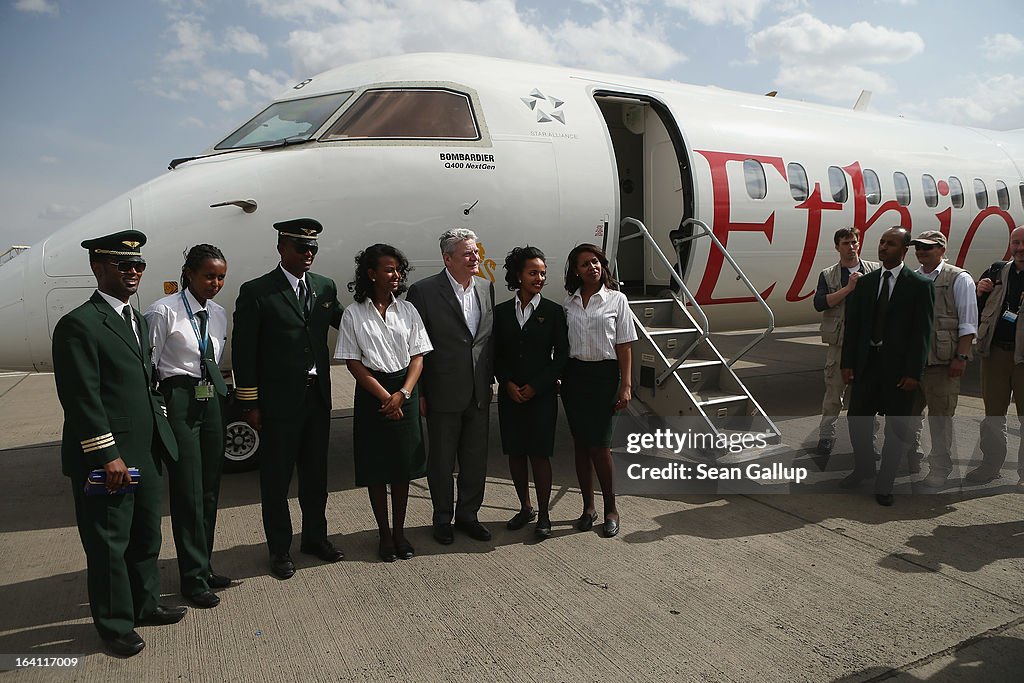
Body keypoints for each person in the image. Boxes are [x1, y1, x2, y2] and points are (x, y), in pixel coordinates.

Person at [51, 230, 184, 657]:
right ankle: (113, 625)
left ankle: (145, 605)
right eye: (122, 265)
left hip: (143, 451)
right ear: (98, 268)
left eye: (138, 265)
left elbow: (148, 385)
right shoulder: (79, 324)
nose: (133, 272)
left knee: (146, 534)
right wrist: (107, 455)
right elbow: (81, 398)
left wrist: (160, 426)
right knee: (109, 543)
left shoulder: (136, 319)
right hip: (108, 457)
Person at [231, 219, 344, 579]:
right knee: (277, 481)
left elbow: (350, 322)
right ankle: (279, 549)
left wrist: (387, 311)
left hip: (317, 398)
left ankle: (315, 538)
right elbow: (244, 351)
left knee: (316, 477)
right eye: (301, 247)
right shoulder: (258, 291)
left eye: (313, 248)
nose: (308, 254)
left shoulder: (325, 286)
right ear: (281, 247)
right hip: (278, 403)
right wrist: (250, 403)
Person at [144, 244, 230, 608]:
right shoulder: (163, 311)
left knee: (210, 489)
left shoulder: (220, 314)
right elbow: (147, 367)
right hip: (177, 399)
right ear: (190, 274)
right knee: (188, 492)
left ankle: (204, 565)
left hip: (208, 398)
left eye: (221, 277)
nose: (215, 283)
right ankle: (191, 580)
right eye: (209, 275)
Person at [335, 244, 432, 561]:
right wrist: (384, 396)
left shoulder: (408, 311)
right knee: (376, 468)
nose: (396, 275)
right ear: (371, 273)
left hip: (405, 389)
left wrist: (403, 393)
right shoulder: (353, 313)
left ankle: (401, 532)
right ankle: (384, 534)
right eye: (389, 269)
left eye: (398, 270)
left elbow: (418, 357)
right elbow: (353, 362)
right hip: (373, 393)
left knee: (402, 467)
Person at [407, 229, 495, 545]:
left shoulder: (486, 288)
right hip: (443, 391)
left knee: (475, 459)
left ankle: (469, 515)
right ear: (447, 258)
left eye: (476, 252)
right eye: (468, 254)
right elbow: (415, 347)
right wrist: (420, 393)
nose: (476, 258)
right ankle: (442, 518)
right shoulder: (424, 292)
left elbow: (485, 339)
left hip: (479, 390)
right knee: (442, 461)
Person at [841, 226, 934, 506]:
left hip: (898, 370)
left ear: (904, 250)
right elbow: (853, 328)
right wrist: (847, 364)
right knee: (857, 419)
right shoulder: (866, 283)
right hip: (867, 365)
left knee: (896, 429)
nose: (883, 247)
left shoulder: (919, 285)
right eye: (882, 242)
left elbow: (922, 333)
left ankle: (885, 483)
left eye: (891, 243)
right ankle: (864, 468)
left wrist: (913, 373)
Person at [561, 243, 637, 536]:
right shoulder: (568, 305)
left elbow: (625, 344)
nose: (592, 267)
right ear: (576, 272)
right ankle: (587, 508)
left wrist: (626, 385)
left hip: (606, 377)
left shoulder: (617, 300)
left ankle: (611, 509)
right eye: (584, 264)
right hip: (575, 377)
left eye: (595, 262)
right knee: (581, 444)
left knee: (600, 445)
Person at [494, 246, 568, 539]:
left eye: (542, 273)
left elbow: (561, 355)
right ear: (518, 275)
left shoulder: (552, 312)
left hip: (541, 395)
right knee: (515, 452)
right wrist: (507, 382)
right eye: (533, 272)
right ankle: (525, 507)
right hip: (510, 394)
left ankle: (544, 513)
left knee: (539, 454)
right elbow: (496, 354)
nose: (539, 278)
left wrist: (538, 385)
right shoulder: (500, 312)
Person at [906, 230, 977, 488]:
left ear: (942, 250)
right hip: (914, 364)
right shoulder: (912, 278)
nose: (922, 251)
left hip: (942, 364)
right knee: (908, 417)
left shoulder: (959, 279)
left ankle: (940, 468)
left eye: (928, 247)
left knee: (940, 420)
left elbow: (968, 324)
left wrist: (961, 357)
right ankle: (911, 459)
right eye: (919, 248)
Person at [812, 227, 879, 456]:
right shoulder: (829, 274)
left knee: (868, 396)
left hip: (867, 344)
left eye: (853, 242)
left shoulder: (874, 271)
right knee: (833, 394)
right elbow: (820, 303)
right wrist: (848, 289)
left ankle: (868, 440)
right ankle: (826, 437)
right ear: (837, 247)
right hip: (840, 342)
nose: (851, 247)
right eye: (845, 243)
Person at [972, 224, 1024, 490]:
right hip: (995, 354)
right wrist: (980, 292)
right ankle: (990, 466)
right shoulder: (997, 271)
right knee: (993, 415)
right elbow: (977, 309)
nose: (1020, 248)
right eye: (1016, 243)